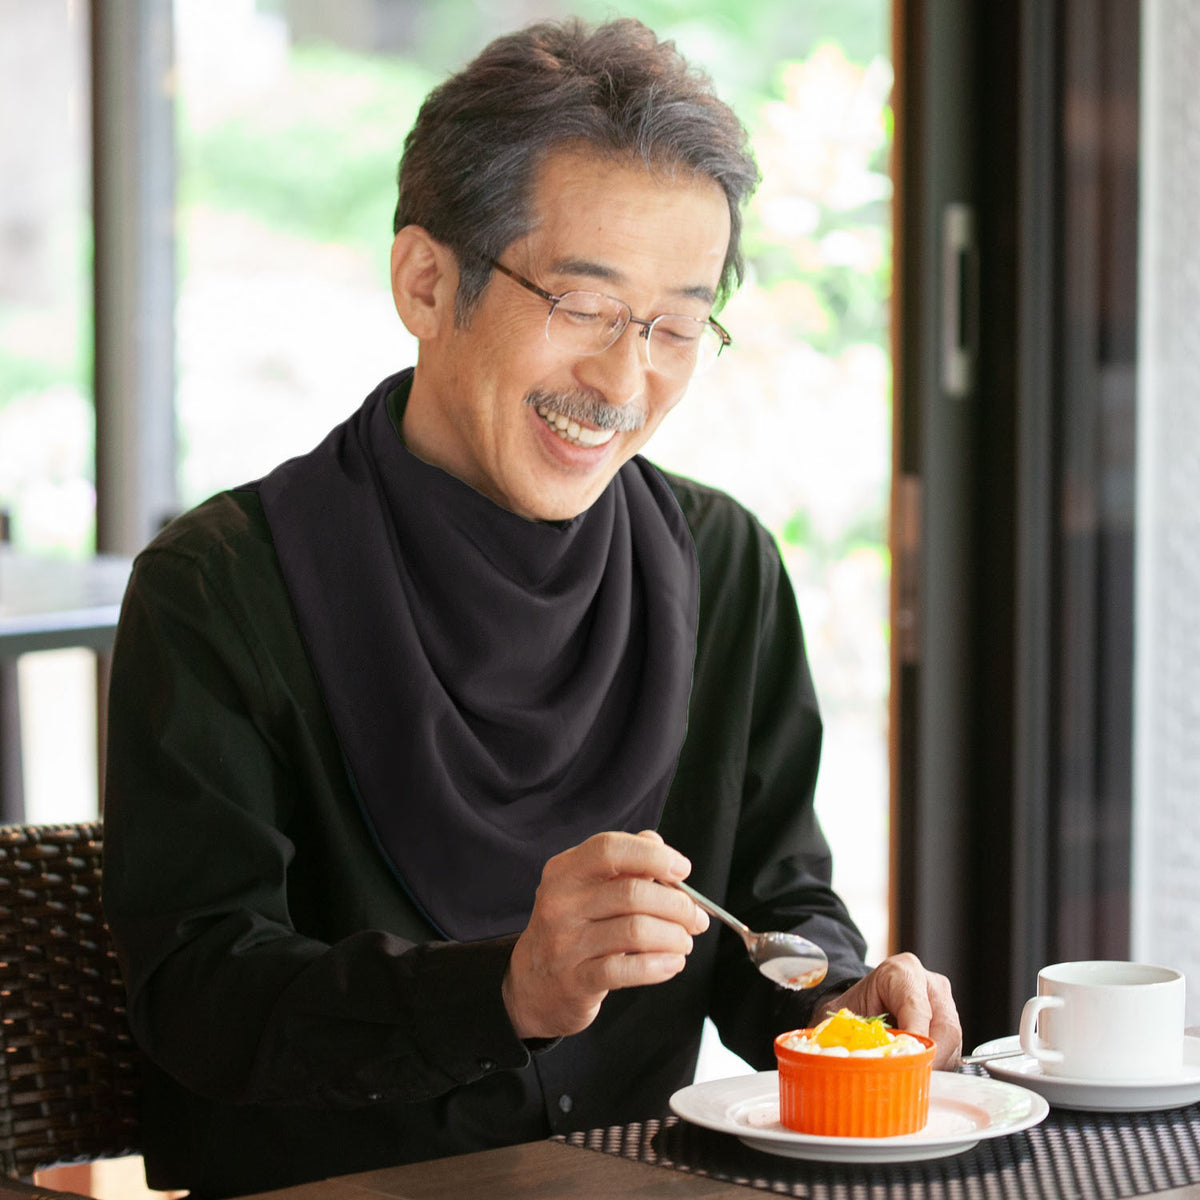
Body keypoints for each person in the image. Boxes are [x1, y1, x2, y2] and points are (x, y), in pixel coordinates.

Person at [102, 17, 960, 1199]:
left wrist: (842, 996)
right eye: (581, 304)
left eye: (673, 326)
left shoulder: (720, 567)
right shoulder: (222, 587)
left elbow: (771, 910)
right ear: (424, 280)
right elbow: (200, 997)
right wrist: (504, 992)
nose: (623, 382)